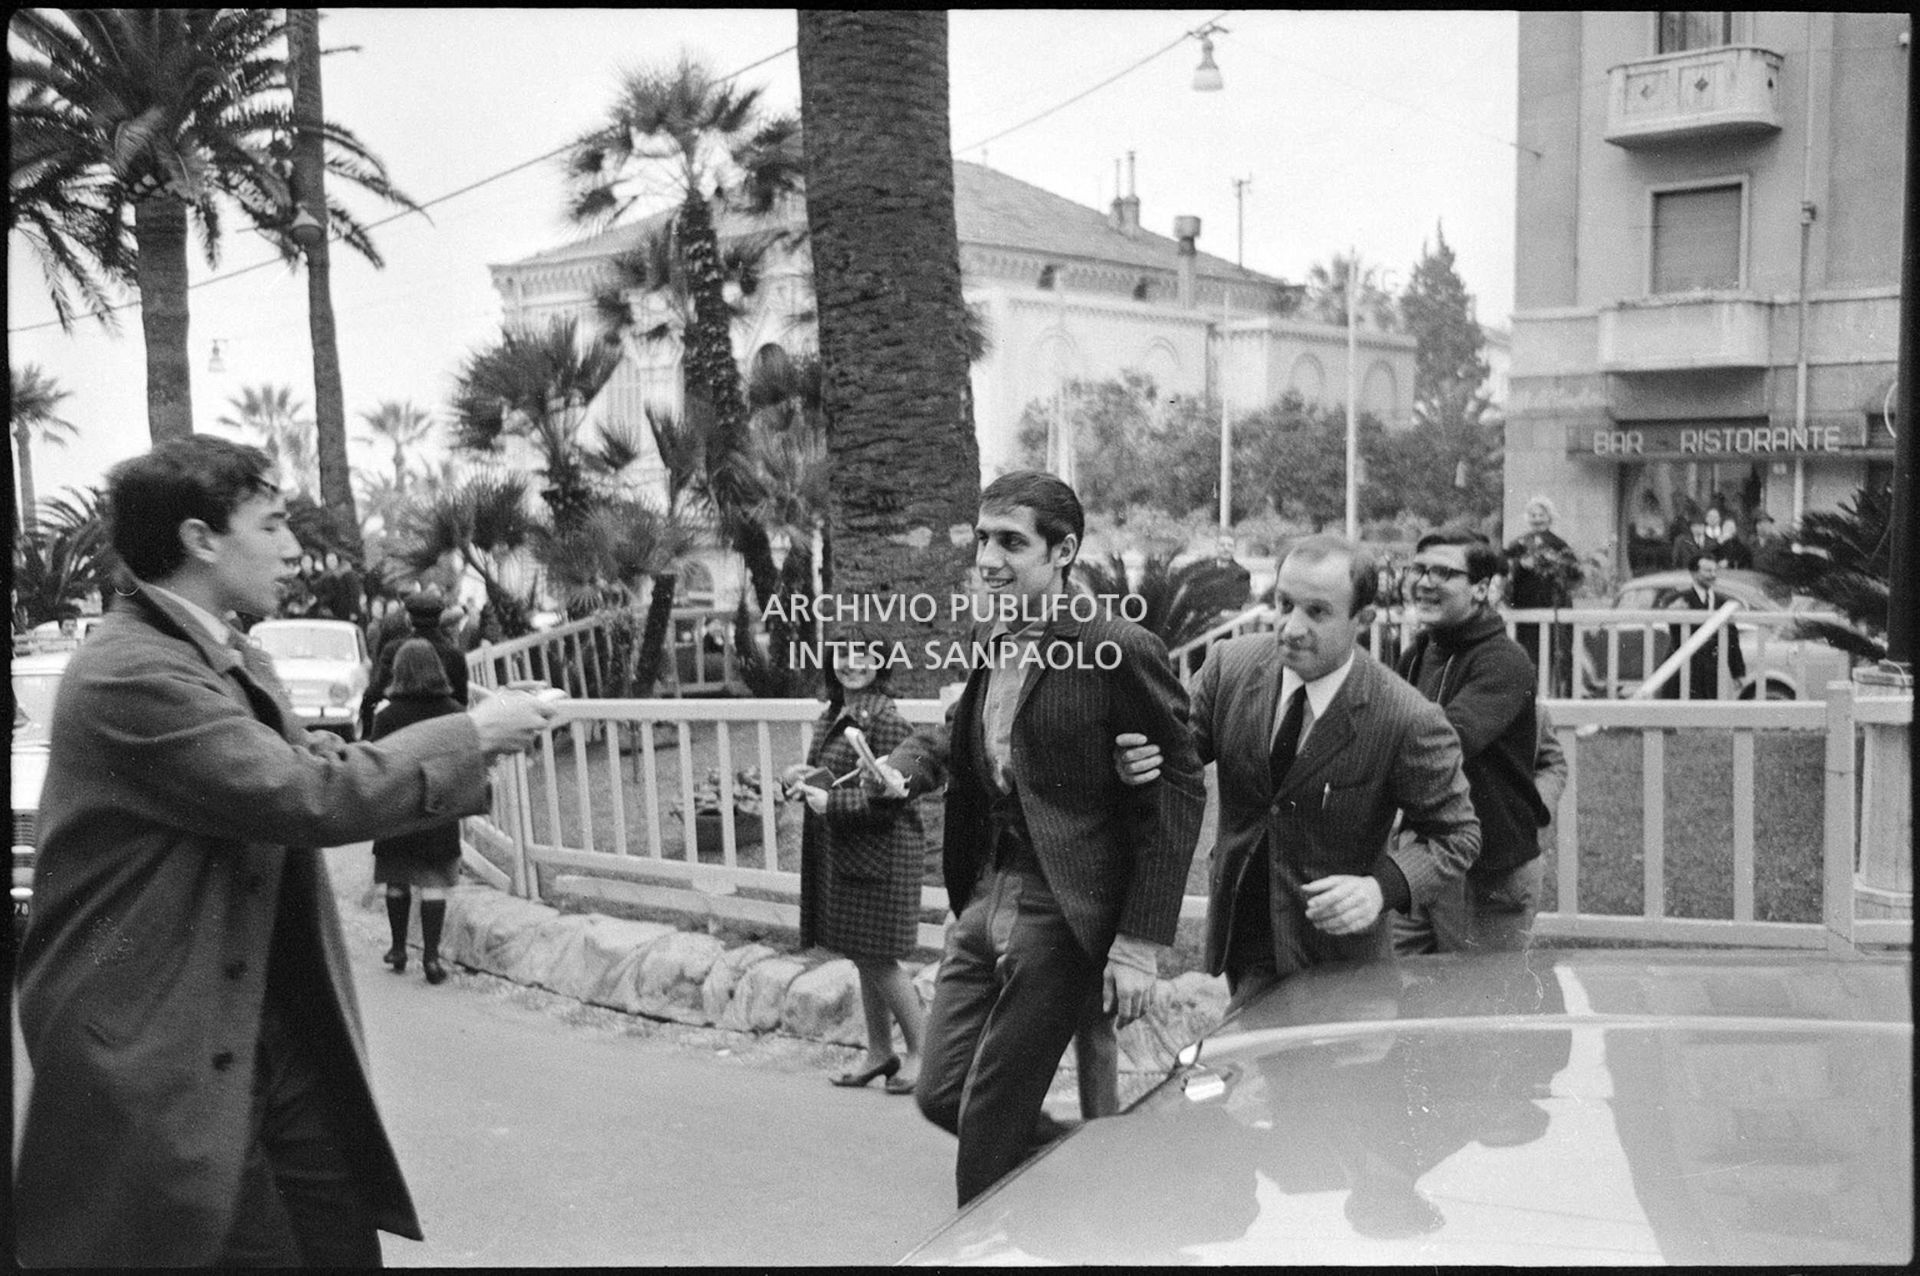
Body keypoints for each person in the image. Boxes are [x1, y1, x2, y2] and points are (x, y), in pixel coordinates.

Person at [13, 435, 555, 1266]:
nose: (295, 549)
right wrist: (471, 732)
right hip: (162, 1043)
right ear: (201, 539)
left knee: (336, 1243)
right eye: (272, 526)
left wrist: (469, 745)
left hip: (257, 1030)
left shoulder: (219, 654)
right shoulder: (130, 671)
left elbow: (319, 768)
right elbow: (301, 794)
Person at [864, 470, 1207, 1207]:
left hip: (1062, 909)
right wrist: (901, 770)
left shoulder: (1116, 646)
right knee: (939, 1093)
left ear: (1064, 551)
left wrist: (1140, 943)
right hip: (986, 896)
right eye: (983, 538)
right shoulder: (995, 636)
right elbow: (964, 735)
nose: (989, 558)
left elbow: (1179, 784)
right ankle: (1092, 1168)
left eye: (1011, 542)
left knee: (988, 1123)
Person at [1115, 536, 1480, 1002]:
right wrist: (1138, 763)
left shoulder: (1406, 718)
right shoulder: (1232, 666)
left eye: (1317, 612)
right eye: (1284, 604)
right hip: (1241, 940)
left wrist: (1379, 888)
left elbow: (1458, 835)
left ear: (1362, 620)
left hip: (1338, 965)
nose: (1290, 627)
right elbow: (1175, 759)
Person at [782, 638, 929, 1095]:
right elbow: (833, 776)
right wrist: (800, 780)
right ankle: (879, 1052)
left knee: (879, 959)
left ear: (881, 664)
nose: (852, 663)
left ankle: (924, 1055)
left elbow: (894, 795)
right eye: (843, 653)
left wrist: (835, 802)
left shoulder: (885, 720)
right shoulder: (834, 714)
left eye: (865, 655)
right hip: (853, 853)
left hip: (882, 854)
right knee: (864, 954)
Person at [1393, 531, 1550, 956]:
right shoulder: (1419, 653)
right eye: (1420, 569)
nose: (1425, 582)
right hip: (1424, 858)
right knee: (1391, 987)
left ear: (1482, 588)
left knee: (1477, 1008)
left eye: (1444, 572)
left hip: (1490, 871)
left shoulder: (1504, 661)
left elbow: (1446, 742)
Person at [369, 639, 470, 986]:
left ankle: (398, 949)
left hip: (397, 804)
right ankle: (431, 958)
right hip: (438, 806)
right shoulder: (455, 712)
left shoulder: (386, 716)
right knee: (433, 883)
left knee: (397, 879)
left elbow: (376, 760)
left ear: (399, 671)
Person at [363, 588, 470, 737]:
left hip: (399, 730)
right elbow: (461, 698)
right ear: (440, 619)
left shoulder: (393, 649)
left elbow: (377, 691)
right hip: (444, 731)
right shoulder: (454, 655)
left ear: (408, 619)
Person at [1503, 496, 1582, 696]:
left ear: (1549, 517)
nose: (1537, 519)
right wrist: (1520, 565)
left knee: (1558, 655)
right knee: (1527, 656)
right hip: (1525, 609)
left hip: (1553, 607)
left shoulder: (1558, 544)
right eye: (1533, 515)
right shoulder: (1518, 544)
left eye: (1541, 514)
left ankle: (1560, 698)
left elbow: (1574, 575)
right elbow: (1505, 570)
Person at [1661, 552, 1745, 700]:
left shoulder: (1723, 603)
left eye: (1714, 571)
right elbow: (1675, 634)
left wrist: (1737, 672)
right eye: (1707, 571)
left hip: (1711, 675)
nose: (1712, 575)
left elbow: (1732, 639)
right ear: (1693, 573)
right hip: (1683, 672)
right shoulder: (1678, 600)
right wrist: (1673, 614)